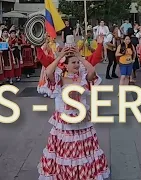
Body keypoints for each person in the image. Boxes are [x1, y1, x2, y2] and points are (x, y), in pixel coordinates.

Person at [38, 46, 110, 179]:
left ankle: (83, 174)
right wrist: (60, 56)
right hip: (65, 121)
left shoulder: (83, 78)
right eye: (73, 62)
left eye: (78, 62)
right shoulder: (60, 80)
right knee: (67, 150)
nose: (77, 65)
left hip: (82, 120)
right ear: (65, 65)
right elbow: (48, 72)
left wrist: (79, 56)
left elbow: (92, 70)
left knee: (83, 150)